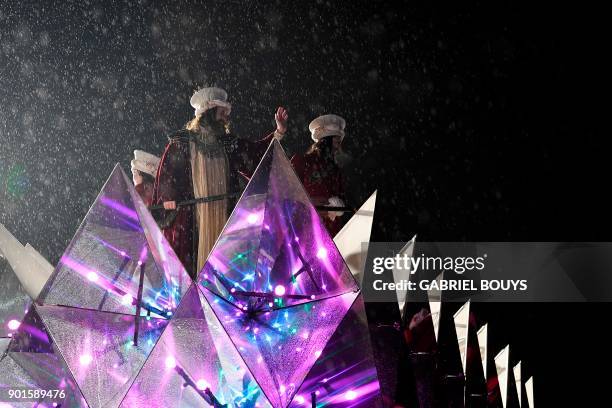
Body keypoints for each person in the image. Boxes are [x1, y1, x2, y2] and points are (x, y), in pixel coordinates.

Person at [153, 86, 288, 278]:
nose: (226, 117)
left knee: (225, 271)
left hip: (225, 216)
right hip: (193, 220)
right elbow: (168, 177)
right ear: (208, 112)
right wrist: (168, 202)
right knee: (191, 270)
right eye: (222, 112)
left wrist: (278, 133)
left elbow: (255, 154)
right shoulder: (182, 143)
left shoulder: (229, 144)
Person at [291, 114, 347, 236]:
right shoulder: (302, 162)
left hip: (332, 234)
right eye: (336, 142)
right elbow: (287, 194)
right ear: (325, 142)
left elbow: (342, 197)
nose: (338, 148)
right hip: (306, 231)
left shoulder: (336, 170)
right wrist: (312, 203)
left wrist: (339, 207)